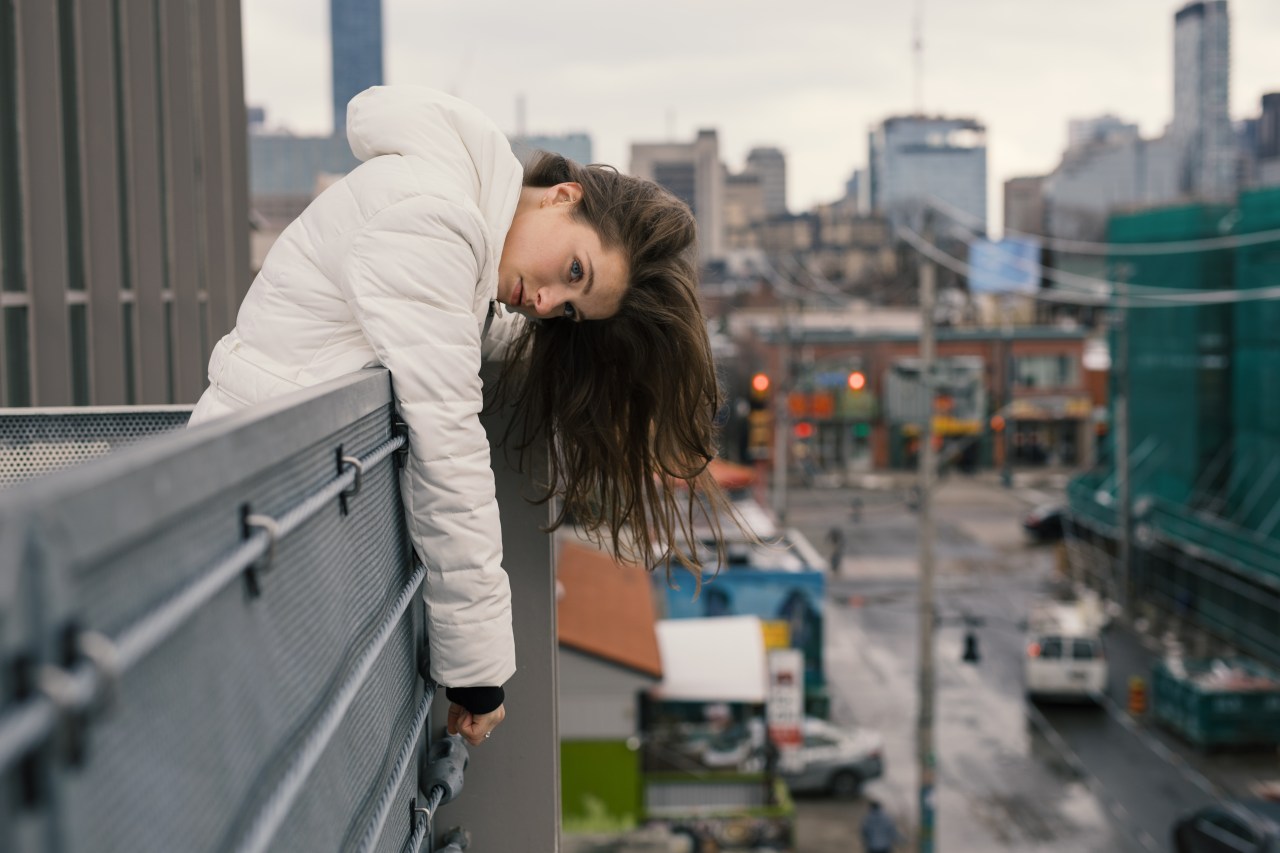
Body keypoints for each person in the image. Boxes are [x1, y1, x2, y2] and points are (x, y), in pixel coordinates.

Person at [188, 86, 729, 747]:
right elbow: (447, 441)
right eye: (572, 270)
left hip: (262, 507)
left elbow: (469, 333)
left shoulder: (455, 215)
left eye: (567, 311)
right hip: (242, 514)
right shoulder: (434, 216)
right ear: (563, 194)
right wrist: (478, 671)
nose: (546, 300)